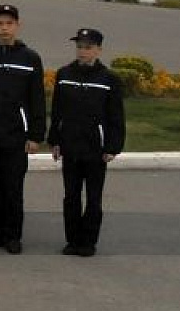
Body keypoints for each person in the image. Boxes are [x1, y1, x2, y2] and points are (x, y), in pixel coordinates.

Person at [0, 4, 45, 255]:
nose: (4, 28)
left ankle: (13, 236)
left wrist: (35, 135)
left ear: (17, 25)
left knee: (12, 189)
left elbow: (37, 100)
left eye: (8, 23)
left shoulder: (29, 58)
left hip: (16, 136)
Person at [48, 28, 125, 257]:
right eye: (80, 47)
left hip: (95, 149)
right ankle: (72, 240)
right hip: (70, 146)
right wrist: (55, 140)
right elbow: (58, 110)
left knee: (93, 198)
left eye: (88, 47)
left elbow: (115, 116)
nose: (83, 51)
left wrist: (112, 146)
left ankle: (88, 242)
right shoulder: (64, 74)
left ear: (99, 50)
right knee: (71, 196)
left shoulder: (109, 79)